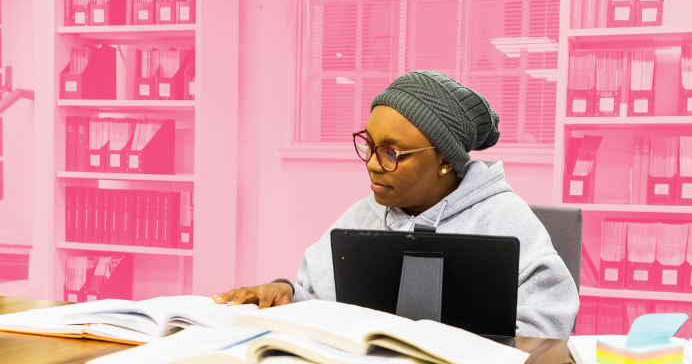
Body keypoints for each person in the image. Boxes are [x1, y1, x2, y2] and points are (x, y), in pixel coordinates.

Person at [213, 70, 579, 338]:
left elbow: (547, 329)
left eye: (392, 152)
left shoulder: (504, 219)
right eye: (369, 145)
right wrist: (287, 293)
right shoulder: (362, 217)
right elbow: (319, 298)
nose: (373, 163)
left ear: (445, 160)